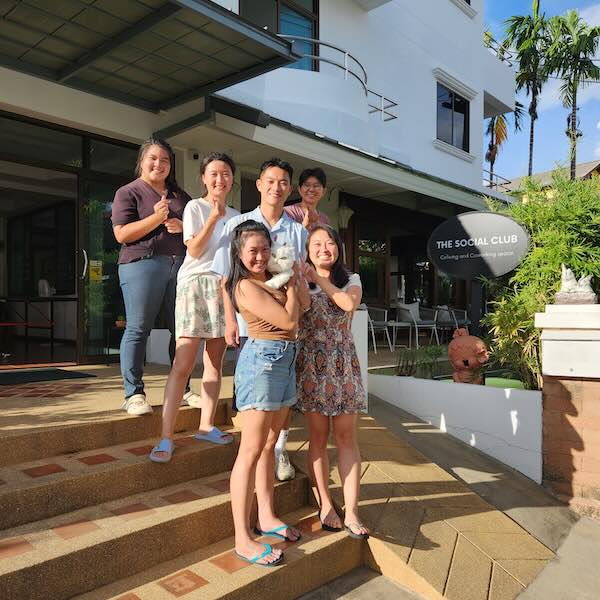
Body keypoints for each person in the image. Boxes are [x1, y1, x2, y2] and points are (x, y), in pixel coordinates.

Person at [211, 158, 307, 482]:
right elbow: (224, 278)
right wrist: (229, 321)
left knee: (279, 407)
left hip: (285, 330)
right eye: (270, 180)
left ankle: (279, 449)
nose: (276, 187)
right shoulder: (239, 224)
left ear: (289, 188)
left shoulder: (298, 231)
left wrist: (297, 292)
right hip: (254, 329)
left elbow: (299, 278)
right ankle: (255, 462)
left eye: (283, 182)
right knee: (255, 417)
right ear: (259, 184)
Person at [225, 220, 307, 566]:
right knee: (250, 450)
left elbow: (303, 305)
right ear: (240, 255)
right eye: (253, 251)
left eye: (265, 249)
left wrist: (295, 278)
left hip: (285, 361)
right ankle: (242, 538)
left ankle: (267, 516)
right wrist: (290, 286)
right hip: (263, 363)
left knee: (270, 445)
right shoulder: (244, 286)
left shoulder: (270, 278)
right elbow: (289, 322)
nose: (260, 256)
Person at [150, 153, 240, 463]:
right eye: (213, 173)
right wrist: (214, 217)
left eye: (225, 173)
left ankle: (206, 425)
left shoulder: (239, 216)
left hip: (222, 289)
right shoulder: (194, 207)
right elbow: (195, 248)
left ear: (232, 179)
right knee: (183, 363)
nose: (219, 179)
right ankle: (166, 437)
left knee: (215, 363)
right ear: (203, 178)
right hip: (194, 286)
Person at [112, 138, 200, 415]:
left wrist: (182, 225)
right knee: (138, 328)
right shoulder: (129, 192)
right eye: (153, 158)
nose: (159, 164)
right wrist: (155, 218)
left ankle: (183, 389)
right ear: (141, 161)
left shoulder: (180, 195)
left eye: (165, 160)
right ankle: (134, 394)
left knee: (182, 330)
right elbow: (121, 234)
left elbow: (195, 233)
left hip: (180, 267)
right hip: (142, 264)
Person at [296, 225, 369, 539]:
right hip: (312, 365)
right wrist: (302, 279)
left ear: (338, 248)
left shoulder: (351, 280)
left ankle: (351, 510)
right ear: (308, 249)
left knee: (346, 438)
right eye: (316, 243)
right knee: (317, 436)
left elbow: (347, 304)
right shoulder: (302, 281)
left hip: (343, 366)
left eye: (329, 243)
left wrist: (317, 278)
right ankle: (325, 503)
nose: (324, 248)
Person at [276, 167, 330, 477]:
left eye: (317, 186)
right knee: (285, 374)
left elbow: (326, 258)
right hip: (289, 296)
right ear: (299, 188)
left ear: (323, 191)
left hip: (315, 296)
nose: (311, 190)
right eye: (306, 185)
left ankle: (291, 443)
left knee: (304, 376)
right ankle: (277, 446)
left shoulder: (325, 221)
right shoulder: (288, 213)